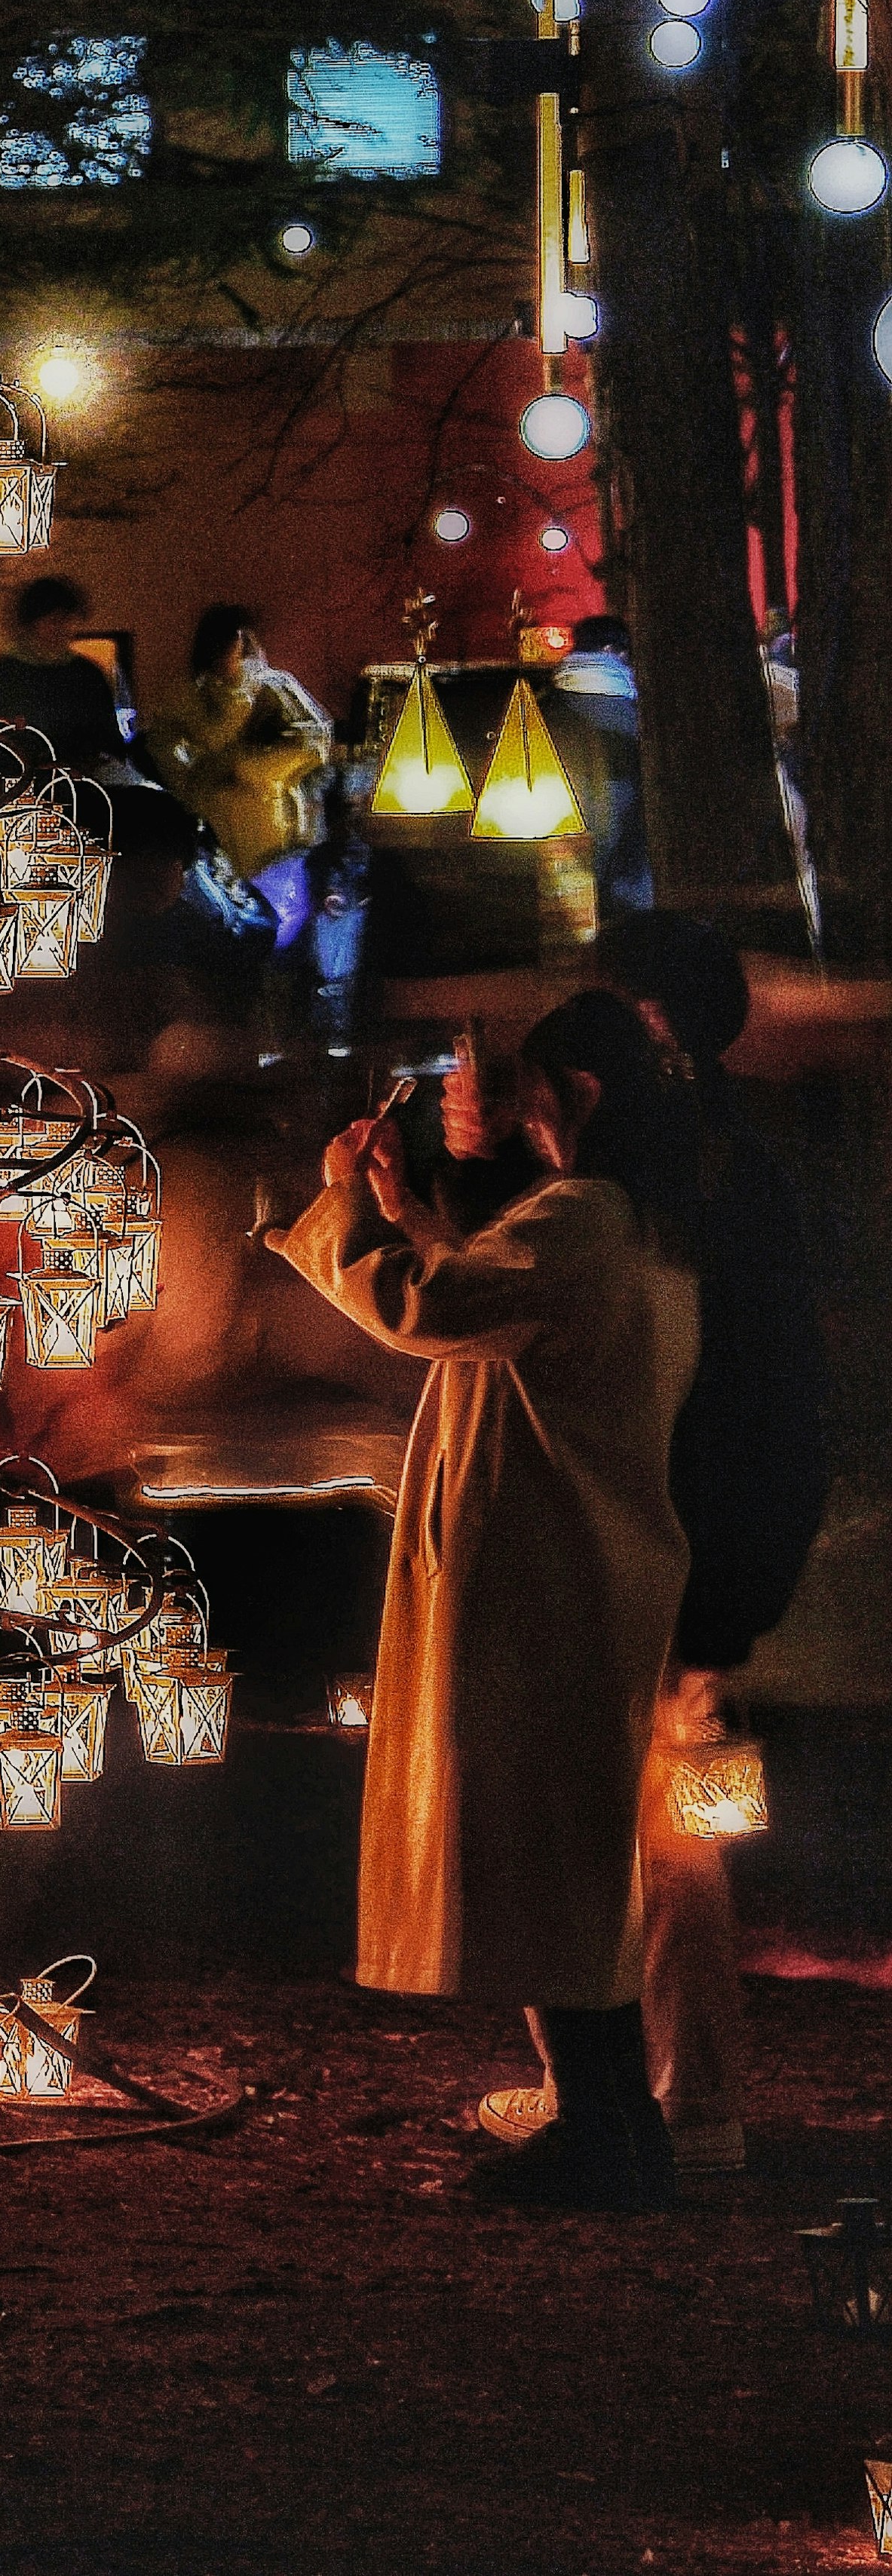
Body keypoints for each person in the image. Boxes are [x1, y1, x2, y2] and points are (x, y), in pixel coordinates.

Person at [263, 986, 701, 2210]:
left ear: (585, 1095)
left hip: (543, 1579)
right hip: (581, 1573)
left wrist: (340, 1209)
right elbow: (483, 1288)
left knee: (541, 1861)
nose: (510, 1107)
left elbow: (429, 1306)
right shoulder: (639, 1225)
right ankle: (612, 2122)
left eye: (532, 1086)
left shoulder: (586, 1217)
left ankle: (608, 2133)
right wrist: (401, 1203)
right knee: (559, 1859)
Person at [452, 921, 829, 2176]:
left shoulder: (695, 1182)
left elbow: (753, 1391)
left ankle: (675, 2106)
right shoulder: (697, 1167)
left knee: (661, 1833)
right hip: (686, 1552)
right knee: (664, 1829)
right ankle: (664, 2095)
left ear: (652, 1027)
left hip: (668, 1554)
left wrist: (726, 1589)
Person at [146, 606, 335, 948]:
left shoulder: (274, 688)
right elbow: (164, 746)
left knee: (288, 922)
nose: (230, 652)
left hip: (277, 828)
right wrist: (192, 783)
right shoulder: (188, 697)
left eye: (235, 642)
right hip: (215, 830)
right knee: (234, 923)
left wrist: (248, 767)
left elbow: (315, 741)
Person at [547, 612, 654, 918]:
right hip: (618, 835)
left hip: (562, 830)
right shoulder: (628, 708)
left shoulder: (551, 700)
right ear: (611, 652)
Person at [0, 575, 130, 778]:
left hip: (81, 788)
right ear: (31, 624)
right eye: (53, 620)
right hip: (19, 787)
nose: (61, 628)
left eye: (66, 619)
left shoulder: (86, 674)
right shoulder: (4, 674)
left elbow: (108, 738)